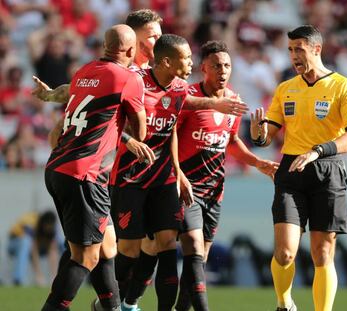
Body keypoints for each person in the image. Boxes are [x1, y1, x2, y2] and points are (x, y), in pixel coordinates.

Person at [111, 34, 248, 311]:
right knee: (132, 250)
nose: (190, 62)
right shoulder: (135, 82)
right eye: (186, 58)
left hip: (164, 181)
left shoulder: (180, 88)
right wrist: (130, 141)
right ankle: (113, 301)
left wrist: (176, 171)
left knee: (167, 246)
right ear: (166, 61)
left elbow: (173, 126)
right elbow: (110, 121)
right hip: (130, 178)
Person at [250, 25, 347, 311]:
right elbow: (268, 135)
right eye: (290, 50)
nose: (293, 56)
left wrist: (318, 150)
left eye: (299, 48)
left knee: (322, 252)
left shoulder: (342, 86)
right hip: (291, 170)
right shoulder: (285, 89)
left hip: (328, 169)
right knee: (285, 252)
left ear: (316, 49)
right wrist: (258, 135)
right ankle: (283, 303)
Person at [40, 24, 154, 311]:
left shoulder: (84, 71)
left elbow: (76, 106)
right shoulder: (128, 78)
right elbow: (141, 132)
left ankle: (112, 308)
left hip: (59, 167)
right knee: (85, 257)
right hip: (85, 175)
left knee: (107, 248)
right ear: (130, 50)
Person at [171, 40, 278, 311]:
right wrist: (177, 173)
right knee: (193, 249)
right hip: (187, 187)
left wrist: (257, 162)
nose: (223, 70)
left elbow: (231, 142)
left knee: (199, 259)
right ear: (203, 67)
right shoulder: (190, 98)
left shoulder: (233, 101)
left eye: (227, 65)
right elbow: (169, 135)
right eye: (217, 65)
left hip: (215, 190)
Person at [8, 210, 63, 286]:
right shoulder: (32, 223)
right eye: (48, 226)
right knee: (26, 241)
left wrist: (54, 276)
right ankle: (18, 279)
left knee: (61, 242)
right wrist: (38, 274)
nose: (49, 229)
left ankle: (60, 279)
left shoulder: (54, 227)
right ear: (43, 224)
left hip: (36, 247)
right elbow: (34, 250)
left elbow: (52, 248)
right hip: (15, 244)